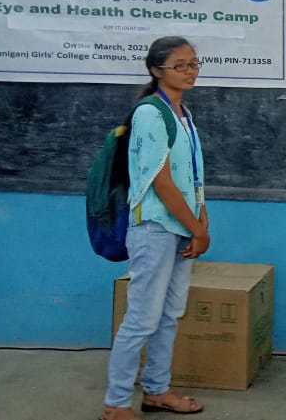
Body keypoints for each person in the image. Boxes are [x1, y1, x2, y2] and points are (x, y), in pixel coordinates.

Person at [101, 36, 210, 420]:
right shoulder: (151, 113)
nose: (190, 71)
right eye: (180, 65)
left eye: (194, 63)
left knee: (169, 314)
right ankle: (115, 403)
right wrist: (196, 228)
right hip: (155, 228)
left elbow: (189, 175)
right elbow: (161, 183)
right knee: (142, 319)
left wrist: (201, 219)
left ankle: (156, 391)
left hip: (181, 226)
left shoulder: (183, 113)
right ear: (156, 71)